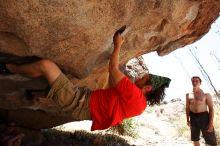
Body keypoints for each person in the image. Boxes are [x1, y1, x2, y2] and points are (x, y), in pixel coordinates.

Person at [0, 31, 171, 131]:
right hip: (83, 102)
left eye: (144, 78)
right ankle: (38, 94)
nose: (140, 77)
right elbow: (113, 85)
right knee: (59, 82)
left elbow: (113, 71)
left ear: (147, 88)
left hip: (79, 102)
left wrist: (117, 45)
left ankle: (8, 68)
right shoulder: (139, 105)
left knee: (47, 66)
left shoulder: (135, 96)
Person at [186, 76, 217, 146]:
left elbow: (211, 109)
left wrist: (211, 123)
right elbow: (187, 108)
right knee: (195, 138)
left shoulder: (206, 95)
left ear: (200, 83)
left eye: (196, 81)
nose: (194, 82)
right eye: (193, 81)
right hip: (193, 117)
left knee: (210, 140)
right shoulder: (189, 95)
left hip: (204, 117)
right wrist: (188, 119)